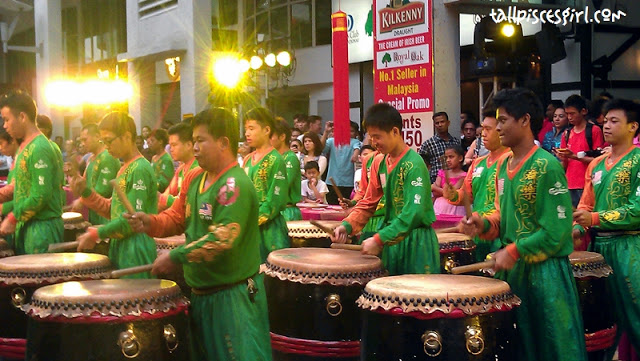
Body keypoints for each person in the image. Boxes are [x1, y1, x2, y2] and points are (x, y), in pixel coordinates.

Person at [125, 108, 272, 361]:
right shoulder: (195, 178)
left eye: (200, 141)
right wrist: (148, 222)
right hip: (202, 294)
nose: (194, 148)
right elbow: (176, 218)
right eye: (193, 141)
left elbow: (221, 239)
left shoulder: (234, 185)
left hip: (232, 298)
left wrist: (176, 256)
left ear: (223, 142)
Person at [461, 88, 587, 361]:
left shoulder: (547, 166)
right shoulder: (503, 164)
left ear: (525, 120)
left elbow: (557, 232)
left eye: (503, 120)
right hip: (514, 271)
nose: (499, 127)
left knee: (552, 348)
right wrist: (482, 224)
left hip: (546, 275)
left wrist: (514, 250)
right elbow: (501, 217)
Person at [333, 103, 439, 275]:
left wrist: (379, 238)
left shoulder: (414, 164)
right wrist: (347, 225)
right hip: (392, 240)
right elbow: (368, 201)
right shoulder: (380, 162)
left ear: (395, 132)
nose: (374, 143)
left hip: (415, 241)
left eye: (377, 137)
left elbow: (414, 212)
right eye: (371, 138)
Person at [573, 98, 640, 357]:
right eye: (606, 120)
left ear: (633, 127)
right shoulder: (596, 164)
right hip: (600, 248)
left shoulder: (637, 160)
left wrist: (595, 220)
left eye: (615, 121)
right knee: (604, 322)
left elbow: (637, 210)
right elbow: (585, 209)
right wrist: (574, 230)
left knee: (636, 315)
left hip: (631, 246)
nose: (607, 125)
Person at [73, 111, 158, 278]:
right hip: (122, 245)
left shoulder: (140, 168)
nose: (107, 146)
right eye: (103, 142)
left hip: (135, 249)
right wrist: (86, 192)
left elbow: (131, 220)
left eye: (109, 141)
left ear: (126, 137)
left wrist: (97, 233)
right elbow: (111, 210)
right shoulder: (124, 167)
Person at [0, 91, 64, 254]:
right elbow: (19, 187)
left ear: (22, 117)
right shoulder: (25, 147)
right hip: (28, 225)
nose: (5, 126)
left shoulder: (39, 147)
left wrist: (13, 217)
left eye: (7, 120)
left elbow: (40, 195)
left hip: (42, 228)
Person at [443, 109, 510, 262]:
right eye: (482, 128)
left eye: (488, 129)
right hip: (478, 230)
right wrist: (453, 195)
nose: (482, 134)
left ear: (501, 129)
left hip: (500, 233)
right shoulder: (478, 163)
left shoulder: (511, 160)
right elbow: (466, 195)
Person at [243, 107, 290, 261]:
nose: (247, 133)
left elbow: (275, 201)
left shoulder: (276, 159)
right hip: (248, 226)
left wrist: (250, 220)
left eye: (251, 128)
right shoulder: (247, 159)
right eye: (246, 129)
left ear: (266, 130)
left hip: (270, 230)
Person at [557, 94, 605, 207]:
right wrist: (561, 158)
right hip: (569, 184)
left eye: (572, 113)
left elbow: (598, 161)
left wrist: (573, 156)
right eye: (567, 114)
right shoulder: (567, 133)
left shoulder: (594, 130)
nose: (569, 117)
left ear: (583, 111)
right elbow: (565, 164)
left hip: (587, 183)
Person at [71, 123, 120, 225]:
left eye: (85, 140)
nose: (83, 144)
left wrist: (82, 200)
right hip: (95, 212)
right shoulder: (90, 159)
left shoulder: (107, 156)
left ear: (97, 137)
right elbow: (85, 183)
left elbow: (104, 190)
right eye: (81, 141)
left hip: (107, 215)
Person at [159, 122, 199, 211]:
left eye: (174, 145)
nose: (171, 149)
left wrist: (160, 197)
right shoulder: (181, 169)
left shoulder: (197, 169)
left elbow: (187, 203)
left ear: (189, 145)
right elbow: (168, 193)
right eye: (170, 145)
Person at [323, 121, 362, 205]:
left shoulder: (354, 141)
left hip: (348, 183)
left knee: (346, 207)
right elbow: (321, 148)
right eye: (346, 131)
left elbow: (357, 147)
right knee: (331, 207)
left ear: (356, 133)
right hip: (332, 182)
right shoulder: (331, 141)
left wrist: (355, 155)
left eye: (351, 131)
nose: (348, 133)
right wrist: (326, 132)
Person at [271, 118, 302, 221]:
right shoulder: (272, 157)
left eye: (271, 136)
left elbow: (283, 184)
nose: (268, 140)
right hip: (274, 210)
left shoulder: (290, 158)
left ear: (282, 137)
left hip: (287, 211)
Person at [418, 112, 461, 183]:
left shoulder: (455, 142)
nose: (440, 125)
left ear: (448, 123)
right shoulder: (428, 144)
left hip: (454, 180)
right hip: (434, 181)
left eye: (442, 122)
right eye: (437, 123)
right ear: (434, 125)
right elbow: (421, 164)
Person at [431, 145, 466, 216]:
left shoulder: (464, 176)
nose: (448, 160)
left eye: (451, 157)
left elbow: (452, 194)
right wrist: (442, 191)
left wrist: (435, 187)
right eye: (446, 157)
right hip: (439, 208)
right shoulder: (442, 173)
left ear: (460, 158)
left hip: (456, 210)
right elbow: (435, 193)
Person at [0, 128, 18, 250]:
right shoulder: (14, 160)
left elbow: (22, 194)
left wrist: (3, 207)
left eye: (1, 143)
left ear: (12, 141)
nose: (0, 148)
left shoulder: (21, 159)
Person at [148, 128, 175, 193]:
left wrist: (149, 185)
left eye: (152, 141)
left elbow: (165, 182)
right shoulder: (154, 158)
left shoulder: (166, 159)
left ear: (160, 142)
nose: (150, 143)